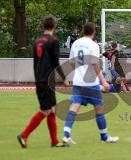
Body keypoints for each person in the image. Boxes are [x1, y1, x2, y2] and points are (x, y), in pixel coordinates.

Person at [62, 22, 119, 145]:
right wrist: (104, 82)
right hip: (91, 83)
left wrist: (70, 75)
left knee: (74, 107)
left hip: (78, 82)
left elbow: (71, 62)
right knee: (99, 108)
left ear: (83, 31)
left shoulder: (76, 43)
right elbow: (95, 64)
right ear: (94, 32)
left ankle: (66, 135)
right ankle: (104, 137)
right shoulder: (93, 45)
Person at [17, 15, 68, 148]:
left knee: (52, 109)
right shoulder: (53, 40)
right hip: (46, 80)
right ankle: (23, 135)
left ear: (43, 26)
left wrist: (38, 78)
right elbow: (56, 63)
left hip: (40, 79)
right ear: (54, 26)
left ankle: (54, 141)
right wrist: (65, 78)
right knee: (46, 110)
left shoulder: (37, 41)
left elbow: (35, 63)